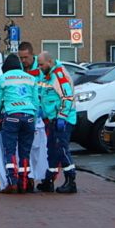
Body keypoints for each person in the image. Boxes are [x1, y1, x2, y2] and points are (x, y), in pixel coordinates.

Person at [0, 54, 39, 193]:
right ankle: (23, 183)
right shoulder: (30, 78)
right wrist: (33, 121)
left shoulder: (3, 79)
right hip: (28, 116)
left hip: (11, 116)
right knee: (25, 152)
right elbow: (36, 102)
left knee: (10, 150)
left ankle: (12, 182)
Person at [37, 51, 78, 193]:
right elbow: (43, 95)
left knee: (61, 149)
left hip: (62, 120)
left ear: (49, 62)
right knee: (52, 150)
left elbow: (67, 97)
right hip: (52, 119)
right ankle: (49, 180)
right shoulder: (47, 76)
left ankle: (71, 180)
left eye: (41, 64)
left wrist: (62, 116)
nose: (39, 67)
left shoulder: (58, 75)